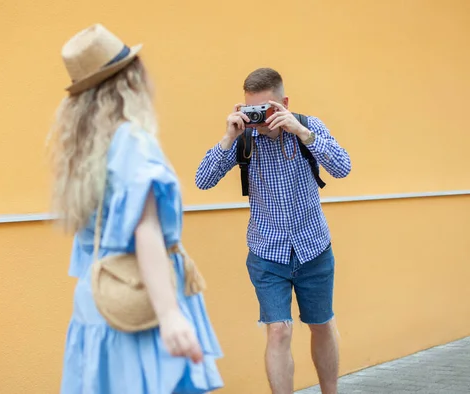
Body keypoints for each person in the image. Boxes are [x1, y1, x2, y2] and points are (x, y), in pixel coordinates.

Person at [47, 24, 223, 394]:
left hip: (98, 302)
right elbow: (146, 231)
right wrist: (170, 314)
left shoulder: (82, 151)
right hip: (140, 305)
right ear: (130, 79)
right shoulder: (132, 141)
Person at [195, 68, 351, 394]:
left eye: (267, 110)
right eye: (253, 111)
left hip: (313, 247)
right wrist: (228, 137)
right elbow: (202, 181)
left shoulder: (308, 126)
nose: (262, 120)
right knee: (278, 331)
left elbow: (343, 167)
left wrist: (301, 131)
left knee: (321, 325)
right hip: (267, 252)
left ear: (285, 103)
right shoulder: (244, 140)